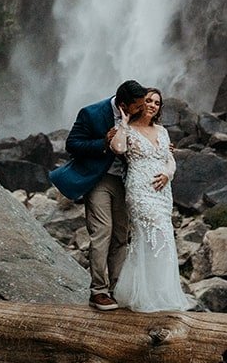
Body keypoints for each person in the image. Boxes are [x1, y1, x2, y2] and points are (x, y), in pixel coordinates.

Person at [50, 79, 148, 311]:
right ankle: (99, 291)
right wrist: (102, 142)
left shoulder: (138, 115)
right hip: (99, 179)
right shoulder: (92, 113)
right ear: (124, 105)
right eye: (138, 106)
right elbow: (72, 144)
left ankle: (118, 289)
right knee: (102, 232)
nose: (142, 109)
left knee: (121, 236)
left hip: (126, 181)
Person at [110, 87, 191, 312]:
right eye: (148, 100)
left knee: (153, 240)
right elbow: (117, 148)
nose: (153, 105)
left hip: (163, 192)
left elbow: (170, 159)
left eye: (157, 102)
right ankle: (151, 297)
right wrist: (124, 123)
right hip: (140, 191)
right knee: (158, 237)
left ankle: (151, 293)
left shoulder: (163, 131)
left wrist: (168, 174)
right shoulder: (127, 129)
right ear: (139, 103)